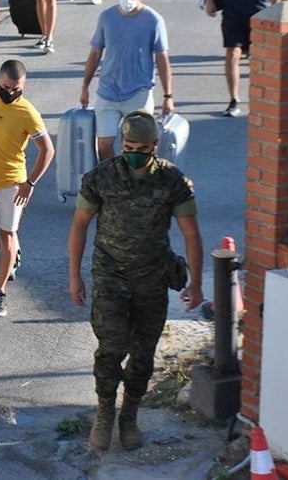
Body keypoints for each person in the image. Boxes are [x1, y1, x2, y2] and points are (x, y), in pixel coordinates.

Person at [67, 110, 204, 451]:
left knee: (143, 353)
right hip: (110, 275)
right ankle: (104, 414)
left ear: (155, 146)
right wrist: (75, 276)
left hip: (152, 277)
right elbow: (80, 225)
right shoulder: (102, 178)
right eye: (127, 146)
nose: (132, 153)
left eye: (140, 148)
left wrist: (197, 283)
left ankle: (129, 416)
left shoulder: (172, 181)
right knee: (112, 348)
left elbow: (191, 234)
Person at [0, 59, 55, 318]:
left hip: (11, 186)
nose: (11, 93)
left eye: (17, 89)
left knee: (7, 238)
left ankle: (0, 290)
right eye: (7, 87)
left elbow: (47, 150)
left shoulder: (28, 113)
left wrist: (30, 182)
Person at [80, 0, 174, 161]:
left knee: (137, 148)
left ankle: (135, 186)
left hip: (138, 94)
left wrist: (168, 96)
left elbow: (162, 59)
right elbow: (95, 53)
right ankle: (115, 183)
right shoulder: (106, 17)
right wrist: (85, 87)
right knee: (104, 147)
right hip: (108, 93)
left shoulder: (153, 20)